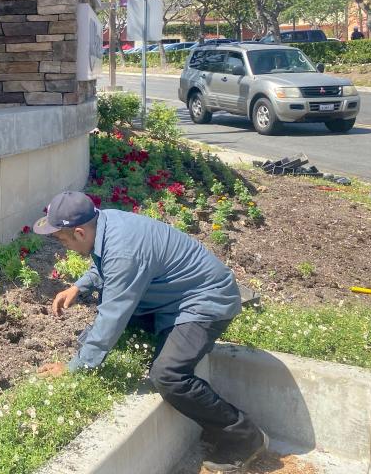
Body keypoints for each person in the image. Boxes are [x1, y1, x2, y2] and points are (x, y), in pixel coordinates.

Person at [34, 191, 268, 473]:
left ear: (80, 232)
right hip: (175, 298)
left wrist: (75, 368)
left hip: (205, 303)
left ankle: (245, 437)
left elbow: (112, 314)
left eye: (62, 239)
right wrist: (80, 286)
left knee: (168, 375)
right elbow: (108, 266)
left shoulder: (123, 250)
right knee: (111, 313)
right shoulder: (107, 222)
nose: (63, 246)